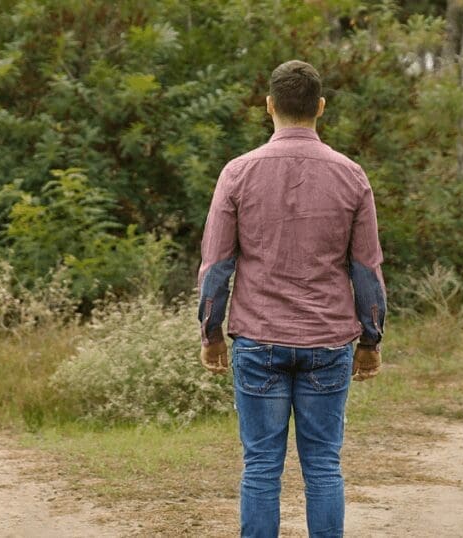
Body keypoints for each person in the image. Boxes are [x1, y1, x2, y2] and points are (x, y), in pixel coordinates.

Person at [196, 60, 386, 538]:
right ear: (320, 107)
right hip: (328, 342)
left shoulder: (238, 172)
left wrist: (211, 333)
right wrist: (370, 340)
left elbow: (217, 264)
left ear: (269, 107)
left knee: (261, 466)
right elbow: (366, 268)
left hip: (258, 339)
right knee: (323, 465)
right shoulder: (352, 175)